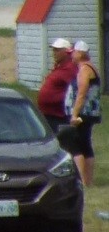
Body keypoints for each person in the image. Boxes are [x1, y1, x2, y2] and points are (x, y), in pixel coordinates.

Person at [64, 40, 99, 189]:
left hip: (83, 113)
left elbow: (82, 93)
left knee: (75, 144)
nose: (72, 55)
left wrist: (74, 114)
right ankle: (88, 181)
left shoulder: (84, 69)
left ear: (80, 53)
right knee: (86, 145)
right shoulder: (92, 67)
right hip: (91, 112)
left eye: (74, 52)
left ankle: (82, 180)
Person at [38, 38, 77, 128]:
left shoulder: (70, 68)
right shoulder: (58, 67)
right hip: (48, 114)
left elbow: (76, 90)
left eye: (57, 50)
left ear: (67, 52)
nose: (54, 53)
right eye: (53, 50)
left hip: (59, 115)